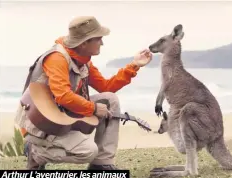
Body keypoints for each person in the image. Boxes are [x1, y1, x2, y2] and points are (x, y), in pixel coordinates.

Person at [14, 16, 152, 170]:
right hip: (40, 126)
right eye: (98, 39)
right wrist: (93, 108)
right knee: (88, 151)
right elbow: (63, 95)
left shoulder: (83, 59)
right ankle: (35, 153)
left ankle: (102, 164)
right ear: (84, 42)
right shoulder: (57, 58)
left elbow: (106, 87)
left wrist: (134, 65)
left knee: (110, 99)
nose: (102, 43)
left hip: (61, 117)